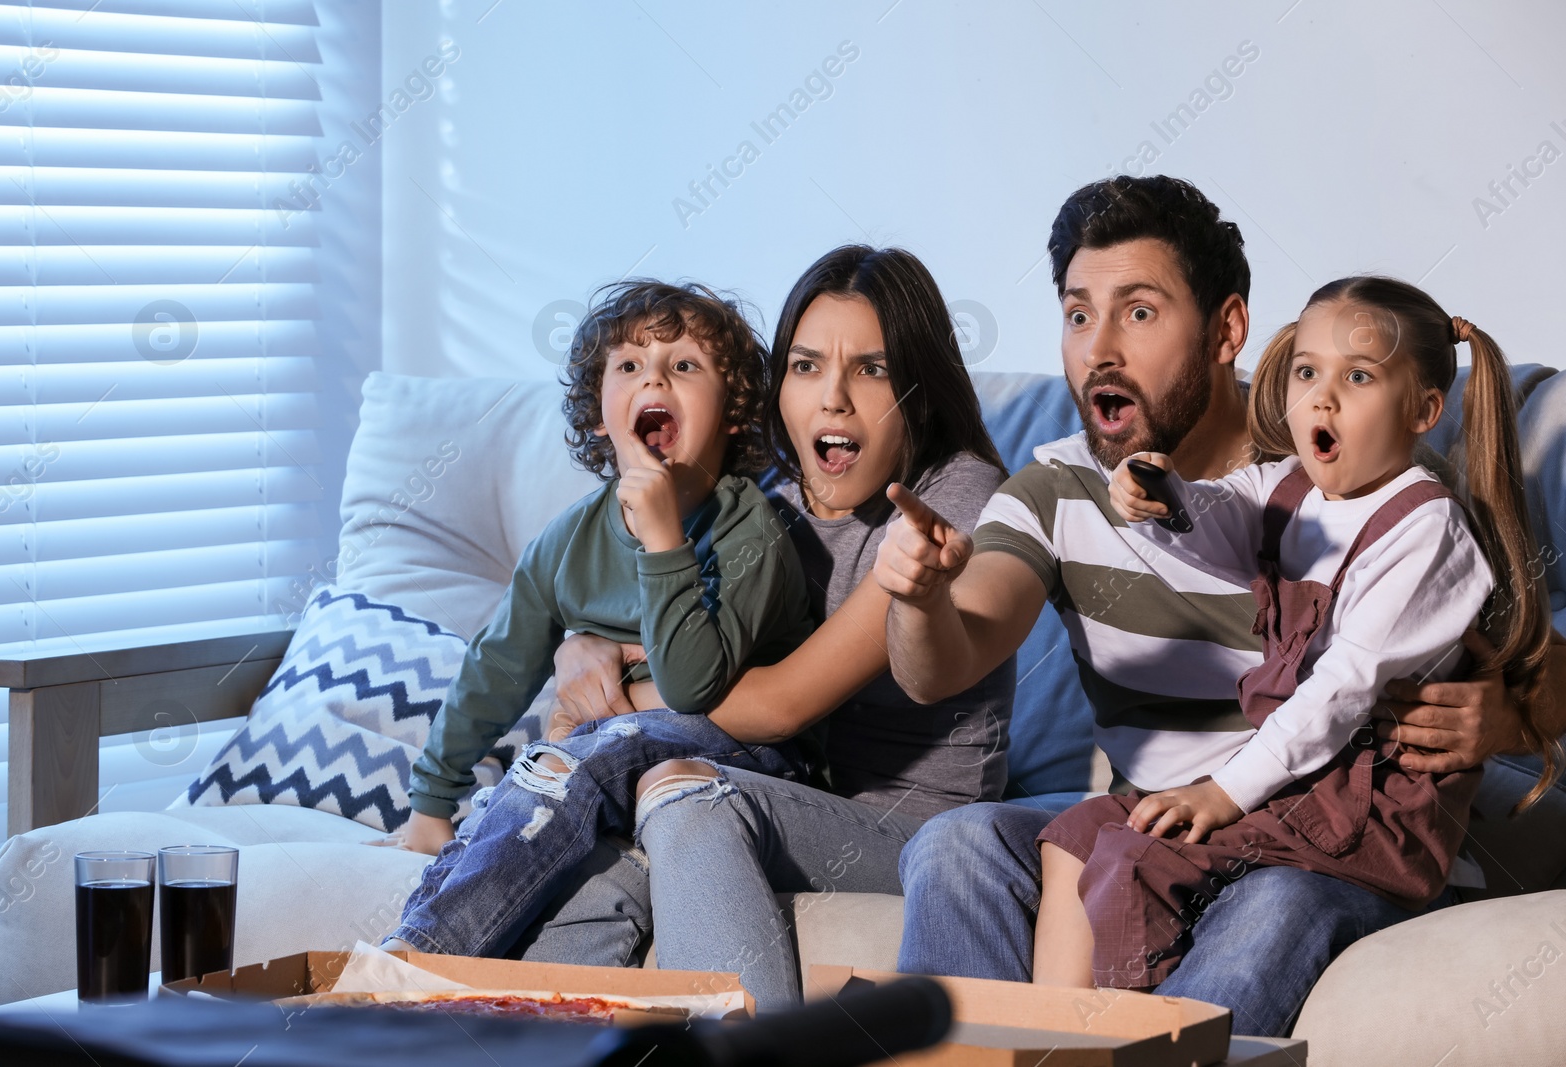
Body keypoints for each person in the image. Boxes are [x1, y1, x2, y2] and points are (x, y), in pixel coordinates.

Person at [887, 174, 1566, 1036]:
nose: (1100, 348)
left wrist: (1506, 716)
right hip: (1172, 823)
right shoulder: (1061, 488)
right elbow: (945, 656)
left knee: (1276, 900)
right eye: (1077, 313)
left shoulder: (1355, 481)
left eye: (1138, 312)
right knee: (958, 843)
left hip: (1327, 830)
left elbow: (1536, 669)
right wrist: (918, 596)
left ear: (1227, 329)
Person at [1031, 276, 1560, 990]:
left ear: (1423, 409)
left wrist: (1223, 790)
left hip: (1369, 814)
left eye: (1359, 376)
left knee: (1134, 859)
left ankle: (1128, 1039)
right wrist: (1163, 495)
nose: (1324, 395)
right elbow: (1217, 512)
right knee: (1073, 837)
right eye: (1309, 371)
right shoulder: (1288, 486)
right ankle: (1048, 1044)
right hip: (1296, 788)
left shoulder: (1428, 531)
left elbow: (1343, 689)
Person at [541, 245, 1016, 1010]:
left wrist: (627, 698)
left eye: (871, 368)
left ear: (920, 394)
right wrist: (581, 644)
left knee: (681, 792)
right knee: (586, 863)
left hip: (906, 829)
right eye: (804, 366)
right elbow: (648, 610)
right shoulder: (759, 496)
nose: (833, 398)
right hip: (765, 784)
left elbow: (791, 700)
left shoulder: (950, 498)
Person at [379, 279, 820, 959]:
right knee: (531, 804)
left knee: (567, 759)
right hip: (607, 766)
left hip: (746, 766)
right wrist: (433, 798)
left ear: (733, 412)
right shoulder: (568, 541)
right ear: (597, 414)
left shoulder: (748, 530)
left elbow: (694, 686)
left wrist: (664, 541)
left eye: (684, 366)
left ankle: (415, 959)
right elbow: (497, 666)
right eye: (630, 366)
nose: (656, 378)